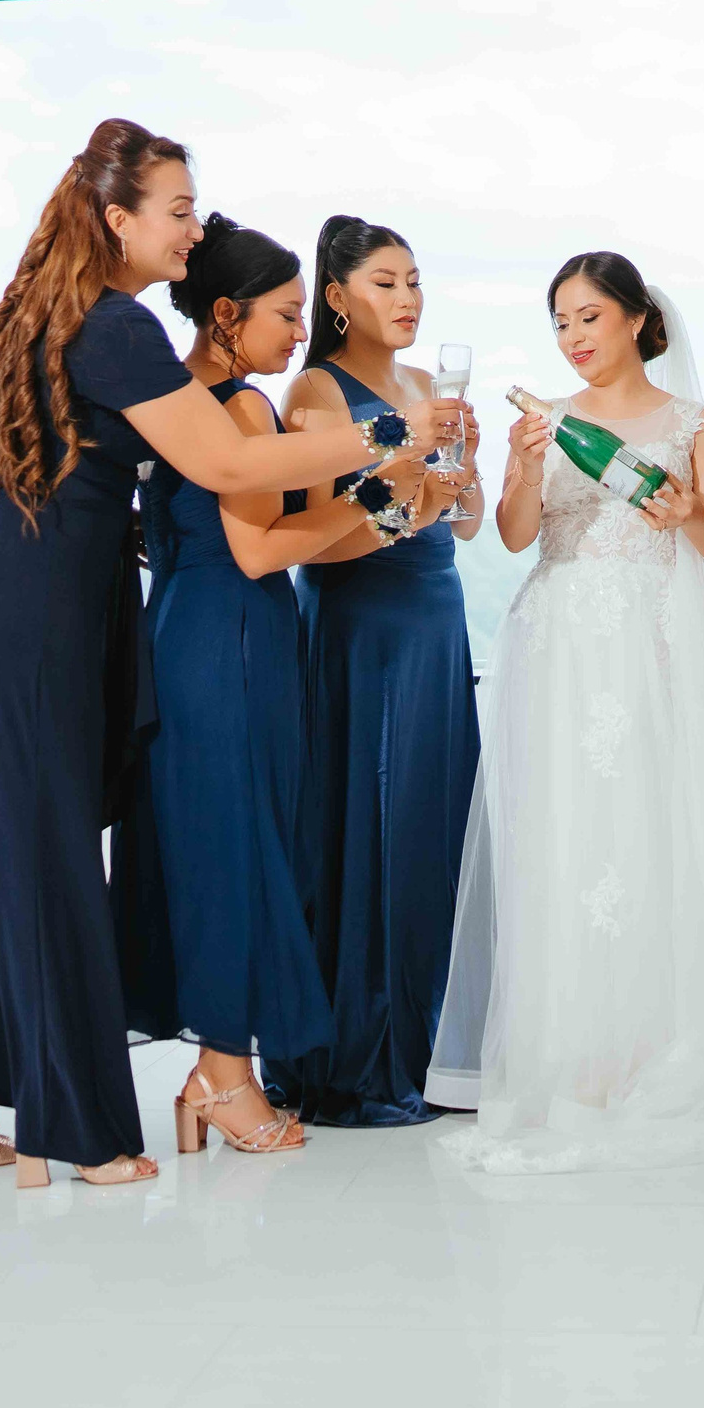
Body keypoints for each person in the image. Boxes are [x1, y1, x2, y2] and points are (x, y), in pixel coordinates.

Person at [0, 123, 460, 1188]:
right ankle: (75, 1131)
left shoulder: (70, 316)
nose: (192, 226)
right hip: (18, 606)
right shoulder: (116, 324)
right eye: (176, 209)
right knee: (39, 861)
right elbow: (229, 458)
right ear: (115, 219)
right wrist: (390, 437)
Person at [425, 253, 704, 1171]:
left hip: (654, 640)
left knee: (657, 825)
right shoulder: (547, 422)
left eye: (588, 318)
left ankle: (669, 1037)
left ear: (637, 320)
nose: (573, 340)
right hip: (561, 641)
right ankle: (576, 1048)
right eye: (560, 323)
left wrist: (689, 508)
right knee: (568, 834)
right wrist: (526, 471)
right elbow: (519, 535)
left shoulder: (688, 421)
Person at [135, 213, 456, 1155]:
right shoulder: (239, 407)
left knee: (233, 851)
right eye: (285, 312)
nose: (296, 329)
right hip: (234, 635)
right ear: (228, 316)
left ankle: (221, 1072)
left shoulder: (189, 397)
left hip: (209, 628)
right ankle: (223, 1077)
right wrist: (390, 511)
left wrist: (387, 510)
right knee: (244, 854)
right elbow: (260, 550)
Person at [264, 216, 484, 1127]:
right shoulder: (315, 387)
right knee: (372, 822)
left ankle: (443, 1048)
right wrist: (410, 482)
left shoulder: (432, 385)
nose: (407, 298)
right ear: (339, 295)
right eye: (387, 282)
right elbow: (321, 531)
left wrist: (463, 486)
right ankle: (363, 1051)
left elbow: (461, 523)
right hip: (361, 619)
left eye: (415, 280)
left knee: (435, 822)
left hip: (437, 618)